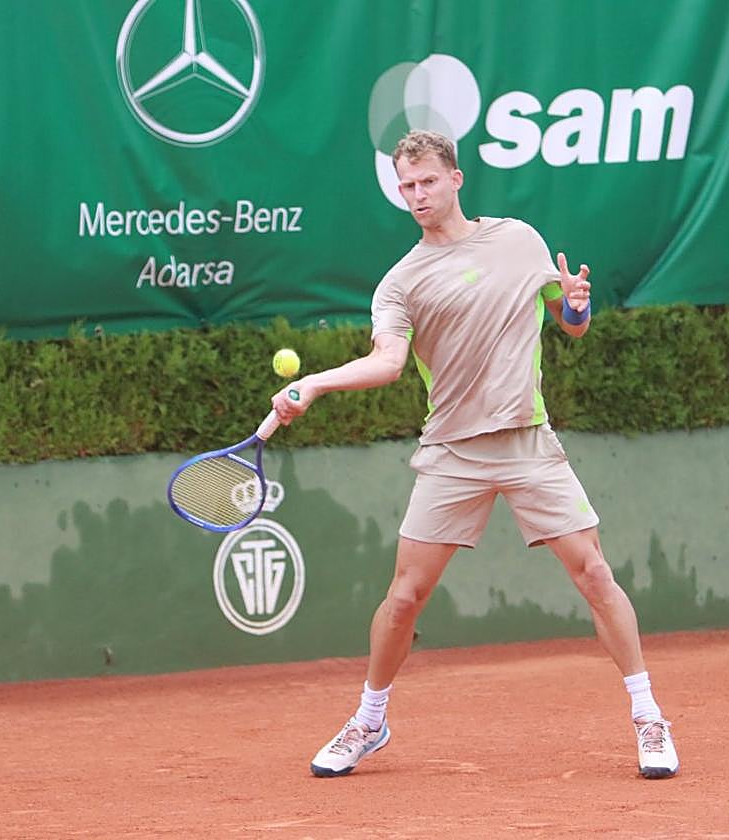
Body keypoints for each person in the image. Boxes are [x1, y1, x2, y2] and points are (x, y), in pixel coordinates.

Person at [270, 129, 679, 781]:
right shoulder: (401, 282)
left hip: (528, 440)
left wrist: (576, 305)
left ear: (456, 179)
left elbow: (568, 324)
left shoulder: (520, 240)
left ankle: (648, 719)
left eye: (427, 181)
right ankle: (369, 721)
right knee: (405, 597)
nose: (416, 195)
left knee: (595, 575)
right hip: (453, 452)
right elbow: (388, 361)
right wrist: (316, 383)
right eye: (406, 186)